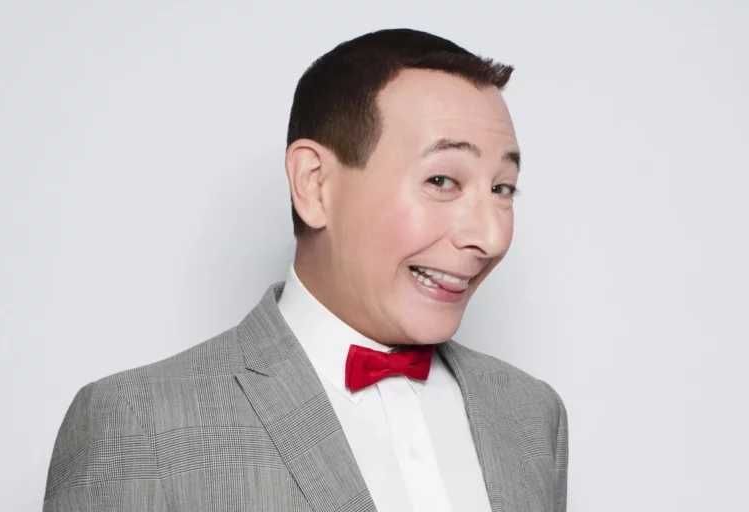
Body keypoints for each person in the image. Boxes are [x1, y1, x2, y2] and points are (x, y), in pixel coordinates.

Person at [43, 28, 568, 512]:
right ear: (315, 185)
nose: (491, 237)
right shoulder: (139, 424)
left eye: (502, 188)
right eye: (441, 181)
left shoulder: (531, 414)